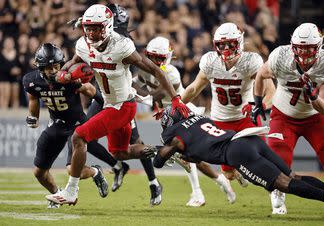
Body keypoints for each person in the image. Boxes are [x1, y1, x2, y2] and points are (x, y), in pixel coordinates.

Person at [46, 4, 189, 205]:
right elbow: (74, 61)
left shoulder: (121, 46)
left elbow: (157, 71)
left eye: (96, 28)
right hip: (110, 103)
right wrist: (64, 73)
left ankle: (71, 190)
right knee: (120, 152)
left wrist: (175, 98)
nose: (91, 33)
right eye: (88, 27)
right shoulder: (83, 45)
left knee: (79, 136)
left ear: (108, 26)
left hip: (123, 106)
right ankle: (167, 150)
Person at [153, 106, 324, 212]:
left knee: (282, 183)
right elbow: (196, 147)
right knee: (293, 176)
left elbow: (158, 162)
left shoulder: (176, 137)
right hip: (248, 138)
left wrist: (162, 150)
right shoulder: (201, 119)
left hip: (236, 151)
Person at [133, 36, 236, 207]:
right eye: (153, 57)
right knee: (191, 157)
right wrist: (132, 86)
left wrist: (136, 93)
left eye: (160, 57)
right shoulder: (145, 70)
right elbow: (136, 82)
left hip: (184, 114)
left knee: (188, 157)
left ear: (168, 57)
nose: (156, 61)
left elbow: (156, 95)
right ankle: (222, 182)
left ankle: (200, 192)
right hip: (170, 119)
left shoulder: (171, 72)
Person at [251, 23, 324, 214]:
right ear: (292, 45)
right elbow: (260, 75)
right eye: (300, 47)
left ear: (319, 46)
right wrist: (258, 102)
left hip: (315, 117)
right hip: (284, 115)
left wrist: (313, 96)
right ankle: (278, 193)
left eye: (309, 48)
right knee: (278, 162)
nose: (304, 53)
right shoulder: (281, 56)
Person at [80, 4, 163, 206]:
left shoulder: (123, 43)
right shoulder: (93, 38)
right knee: (84, 136)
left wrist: (141, 94)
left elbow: (133, 77)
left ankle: (153, 182)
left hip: (121, 98)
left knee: (134, 141)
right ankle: (117, 166)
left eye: (99, 26)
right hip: (101, 97)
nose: (95, 31)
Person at [180, 23, 275, 189]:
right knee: (228, 174)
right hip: (221, 121)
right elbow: (194, 88)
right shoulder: (211, 62)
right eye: (221, 44)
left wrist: (259, 106)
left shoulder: (250, 62)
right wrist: (177, 104)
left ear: (239, 42)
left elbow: (271, 92)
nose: (225, 48)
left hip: (246, 117)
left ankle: (277, 199)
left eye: (230, 43)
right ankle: (238, 171)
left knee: (264, 163)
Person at [22, 43, 109, 209]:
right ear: (40, 67)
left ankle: (96, 172)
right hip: (56, 124)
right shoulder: (31, 80)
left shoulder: (69, 78)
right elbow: (34, 98)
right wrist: (33, 116)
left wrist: (108, 106)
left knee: (71, 170)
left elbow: (90, 90)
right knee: (39, 172)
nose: (54, 70)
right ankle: (57, 193)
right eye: (49, 67)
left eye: (56, 66)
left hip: (77, 126)